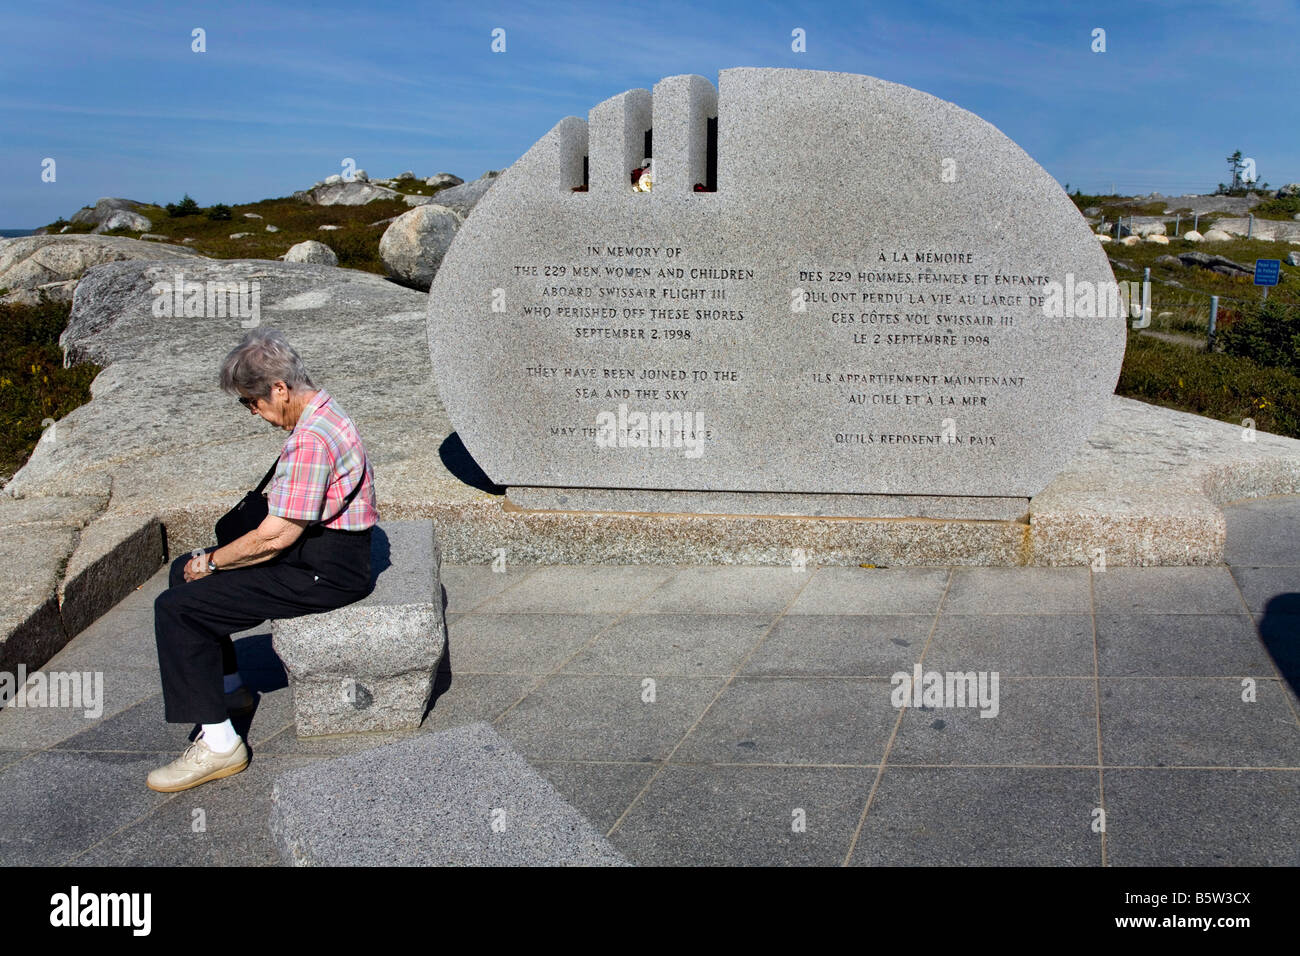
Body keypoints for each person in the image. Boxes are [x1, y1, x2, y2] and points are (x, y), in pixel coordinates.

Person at [148, 328, 378, 792]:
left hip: (324, 571)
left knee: (177, 608)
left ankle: (219, 745)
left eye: (251, 402)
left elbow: (275, 537)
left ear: (279, 389)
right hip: (326, 551)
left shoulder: (310, 439)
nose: (253, 412)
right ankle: (230, 691)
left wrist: (212, 562)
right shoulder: (325, 409)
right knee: (180, 573)